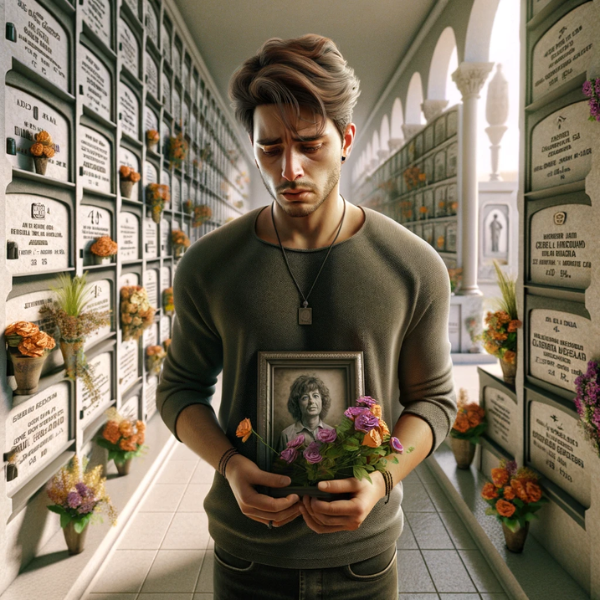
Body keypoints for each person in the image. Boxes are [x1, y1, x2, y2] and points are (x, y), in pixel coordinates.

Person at [157, 33, 456, 600]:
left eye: (309, 144)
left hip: (362, 561)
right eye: (270, 148)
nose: (289, 168)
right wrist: (229, 465)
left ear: (345, 139)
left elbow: (434, 401)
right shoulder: (209, 265)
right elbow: (179, 389)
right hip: (246, 556)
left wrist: (381, 479)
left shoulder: (413, 266)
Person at [277, 374, 334, 451]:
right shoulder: (286, 435)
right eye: (305, 397)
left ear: (322, 400)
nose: (311, 401)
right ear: (297, 403)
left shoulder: (332, 433)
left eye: (315, 396)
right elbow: (279, 463)